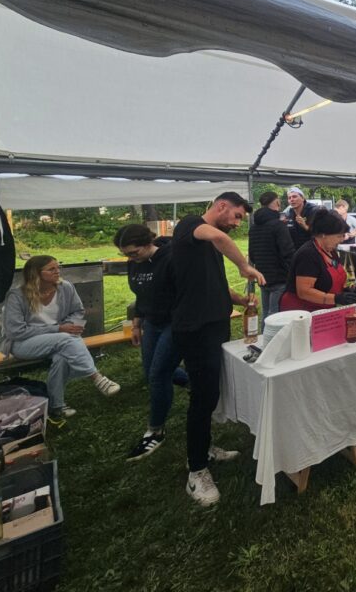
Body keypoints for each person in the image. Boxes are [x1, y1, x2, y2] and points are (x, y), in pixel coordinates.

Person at [171, 192, 264, 507]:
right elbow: (218, 237)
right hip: (195, 328)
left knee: (213, 391)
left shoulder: (207, 243)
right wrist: (244, 266)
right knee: (202, 397)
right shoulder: (191, 226)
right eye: (237, 216)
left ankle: (205, 447)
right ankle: (196, 470)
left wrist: (237, 299)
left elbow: (209, 280)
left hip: (216, 323)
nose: (237, 224)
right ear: (221, 206)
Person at [1, 256, 120, 420]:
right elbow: (15, 331)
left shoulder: (65, 287)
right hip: (22, 344)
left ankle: (56, 406)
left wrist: (73, 326)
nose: (58, 272)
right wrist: (59, 329)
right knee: (64, 339)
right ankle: (96, 377)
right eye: (52, 269)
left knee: (62, 356)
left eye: (58, 268)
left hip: (58, 340)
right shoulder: (17, 295)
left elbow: (78, 311)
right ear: (36, 273)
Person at [114, 224, 189, 461]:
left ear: (149, 244)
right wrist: (137, 324)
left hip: (175, 323)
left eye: (134, 253)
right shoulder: (133, 263)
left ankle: (156, 430)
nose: (130, 258)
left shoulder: (172, 258)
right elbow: (141, 296)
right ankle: (195, 381)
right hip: (152, 323)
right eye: (126, 254)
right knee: (150, 372)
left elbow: (187, 293)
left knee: (158, 375)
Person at [281, 208, 356, 311]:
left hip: (322, 309)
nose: (341, 239)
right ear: (324, 234)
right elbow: (304, 291)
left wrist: (345, 292)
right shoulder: (308, 254)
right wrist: (336, 298)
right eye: (339, 236)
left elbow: (325, 283)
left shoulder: (330, 251)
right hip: (301, 312)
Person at [248, 191, 296, 330]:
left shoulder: (254, 226)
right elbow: (288, 252)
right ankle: (271, 343)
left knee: (266, 313)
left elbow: (252, 254)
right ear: (276, 203)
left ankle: (263, 339)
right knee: (275, 314)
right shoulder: (278, 225)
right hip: (279, 275)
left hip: (262, 274)